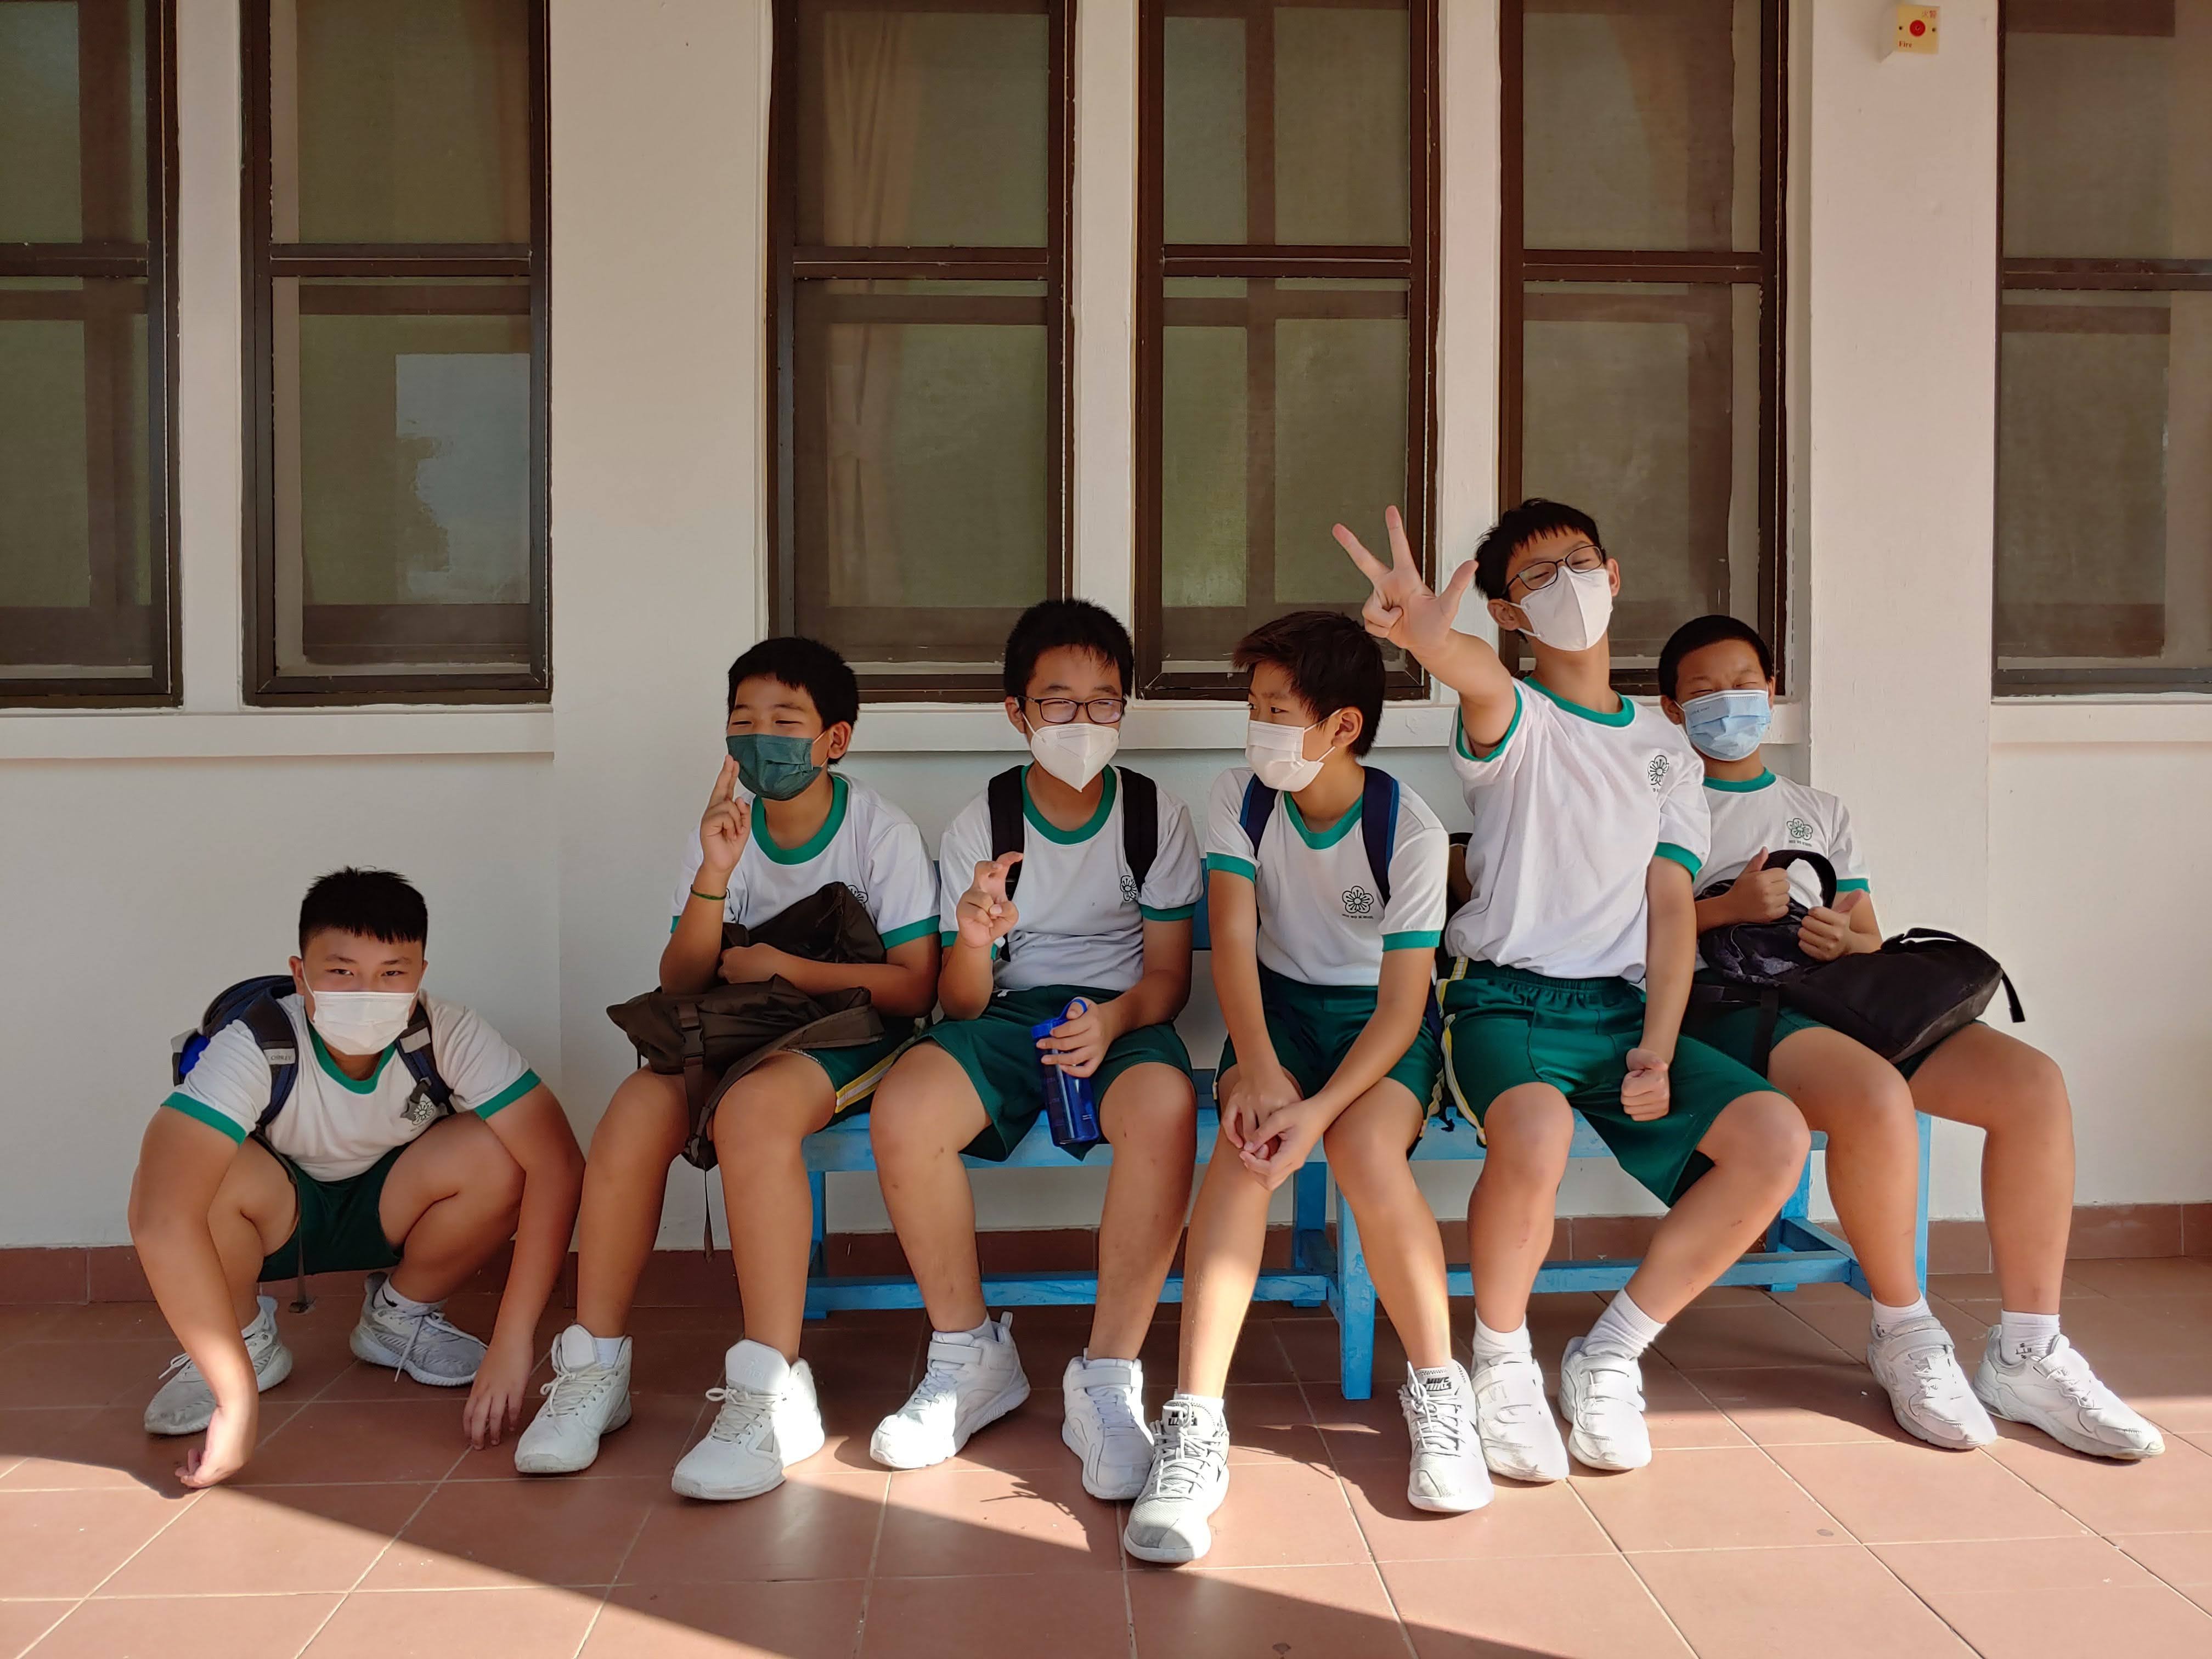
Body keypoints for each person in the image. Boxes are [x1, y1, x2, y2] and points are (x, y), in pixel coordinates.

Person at [1334, 500, 1812, 1478]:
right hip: (1503, 1003)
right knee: (1538, 1133)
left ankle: (1611, 1350)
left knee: (1774, 1138)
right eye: (1538, 577)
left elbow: (1671, 907)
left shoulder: (1666, 749)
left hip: (1622, 1009)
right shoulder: (1516, 715)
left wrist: (1659, 1046)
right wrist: (1429, 640)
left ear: (1614, 573)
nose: (1569, 585)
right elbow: (1472, 673)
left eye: (1581, 562)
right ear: (1509, 613)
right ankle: (1501, 1358)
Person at [1659, 613, 2163, 1460]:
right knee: (1874, 1095)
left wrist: (1839, 938)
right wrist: (1726, 911)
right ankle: (1905, 1332)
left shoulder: (1818, 810)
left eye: (1743, 683)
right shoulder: (1656, 802)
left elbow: (1869, 936)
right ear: (1673, 710)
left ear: (1772, 690)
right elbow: (1626, 931)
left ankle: (2029, 1351)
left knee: (2032, 1085)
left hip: (1835, 995)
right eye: (1704, 691)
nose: (1728, 702)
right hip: (1731, 1007)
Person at [514, 636, 941, 1497]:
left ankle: (772, 1388)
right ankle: (596, 1367)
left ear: (835, 739)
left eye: (785, 720)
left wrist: (785, 969)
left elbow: (914, 986)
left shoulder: (880, 832)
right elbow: (681, 981)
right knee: (633, 1113)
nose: (760, 738)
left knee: (754, 1115)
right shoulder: (723, 832)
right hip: (742, 1025)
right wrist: (715, 873)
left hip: (852, 1033)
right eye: (743, 720)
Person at [1123, 610, 1474, 1566]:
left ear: (1342, 726)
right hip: (1274, 1013)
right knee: (1247, 1148)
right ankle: (1195, 1423)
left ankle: (1441, 1392)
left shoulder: (1408, 829)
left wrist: (1319, 1109)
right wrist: (1261, 1067)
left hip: (1375, 1027)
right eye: (1254, 706)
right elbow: (1233, 943)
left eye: (1277, 710)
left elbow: (1403, 1006)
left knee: (1366, 1152)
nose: (1257, 727)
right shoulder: (1240, 797)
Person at [865, 599, 1203, 1498]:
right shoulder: (982, 822)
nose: (1082, 720)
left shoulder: (1153, 815)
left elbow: (1170, 977)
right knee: (906, 1108)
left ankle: (1108, 1375)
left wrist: (1115, 1021)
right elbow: (959, 1002)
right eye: (1058, 701)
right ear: (1017, 711)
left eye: (1103, 701)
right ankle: (968, 1352)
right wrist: (975, 938)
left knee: (1166, 1110)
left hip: (1123, 1017)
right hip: (1010, 1016)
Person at [131, 868, 582, 1488]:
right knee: (198, 1175)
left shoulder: (446, 1031)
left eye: (392, 973)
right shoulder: (257, 1043)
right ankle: (241, 1343)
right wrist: (236, 1403)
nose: (368, 993)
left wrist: (513, 1341)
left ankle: (399, 1318)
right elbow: (160, 1213)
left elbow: (557, 1163)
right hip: (274, 1215)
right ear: (300, 974)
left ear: (420, 974)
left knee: (502, 1152)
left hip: (389, 1206)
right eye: (342, 972)